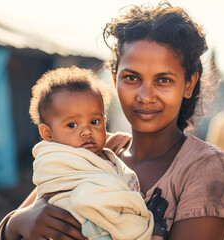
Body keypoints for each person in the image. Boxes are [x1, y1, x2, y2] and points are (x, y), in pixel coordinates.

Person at [0, 3, 224, 240]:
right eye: (132, 78)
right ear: (114, 80)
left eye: (163, 80)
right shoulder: (94, 149)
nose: (145, 96)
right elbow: (20, 221)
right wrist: (16, 223)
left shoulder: (203, 168)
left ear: (188, 84)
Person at [30, 66, 153, 240]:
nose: (87, 131)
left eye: (94, 121)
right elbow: (53, 196)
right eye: (72, 125)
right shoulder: (55, 160)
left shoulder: (109, 154)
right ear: (47, 133)